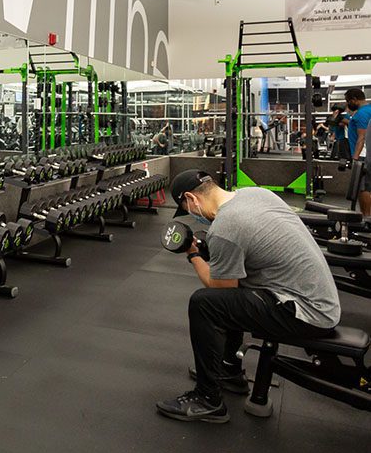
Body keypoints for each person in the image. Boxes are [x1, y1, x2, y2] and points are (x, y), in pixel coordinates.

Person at [156, 170, 341, 423]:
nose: (192, 215)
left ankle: (207, 399)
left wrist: (193, 254)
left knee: (205, 304)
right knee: (232, 297)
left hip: (305, 312)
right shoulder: (256, 194)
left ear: (191, 198)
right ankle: (228, 370)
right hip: (321, 299)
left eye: (187, 208)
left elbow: (221, 289)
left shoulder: (225, 227)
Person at [344, 88, 371, 216]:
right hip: (366, 154)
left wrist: (355, 159)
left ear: (354, 100)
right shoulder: (367, 110)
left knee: (363, 188)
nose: (347, 104)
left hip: (363, 156)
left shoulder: (362, 113)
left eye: (348, 101)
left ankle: (366, 218)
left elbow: (362, 137)